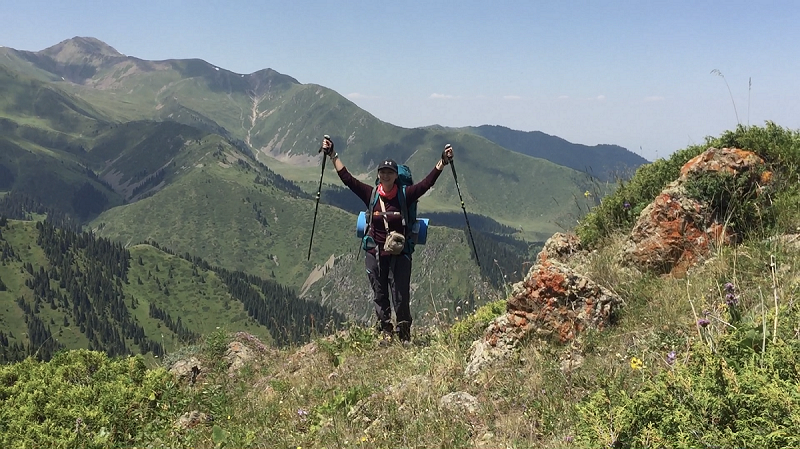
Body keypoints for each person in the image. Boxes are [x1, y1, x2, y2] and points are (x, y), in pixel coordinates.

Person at [321, 137, 454, 344]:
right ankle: (385, 331)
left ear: (395, 176)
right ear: (378, 175)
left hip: (399, 255)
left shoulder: (405, 194)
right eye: (382, 172)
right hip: (375, 252)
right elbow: (348, 179)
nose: (386, 175)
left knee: (400, 295)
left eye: (390, 172)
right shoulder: (371, 194)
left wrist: (442, 162)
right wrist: (333, 155)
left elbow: (427, 183)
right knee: (379, 293)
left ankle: (404, 334)